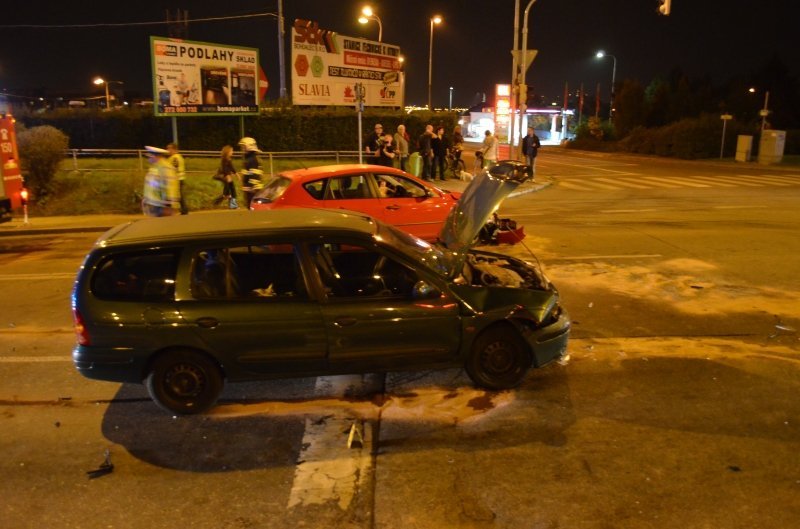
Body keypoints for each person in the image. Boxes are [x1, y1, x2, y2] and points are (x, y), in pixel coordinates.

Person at [141, 145, 178, 217]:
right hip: (153, 204)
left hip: (161, 207)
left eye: (150, 156)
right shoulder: (154, 167)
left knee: (163, 227)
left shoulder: (166, 168)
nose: (148, 158)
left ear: (156, 156)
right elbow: (152, 184)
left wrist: (168, 205)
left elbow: (171, 187)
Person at [238, 136, 264, 209]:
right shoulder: (250, 158)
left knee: (253, 209)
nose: (242, 149)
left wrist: (253, 188)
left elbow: (254, 174)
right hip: (249, 189)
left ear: (249, 147)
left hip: (253, 190)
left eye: (243, 147)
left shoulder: (252, 159)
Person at [166, 143, 188, 215]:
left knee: (176, 195)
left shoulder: (175, 158)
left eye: (169, 149)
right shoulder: (177, 157)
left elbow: (174, 168)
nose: (168, 150)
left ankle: (183, 210)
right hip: (178, 179)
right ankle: (184, 210)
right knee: (177, 195)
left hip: (176, 179)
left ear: (174, 149)